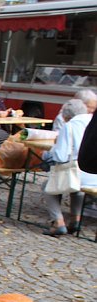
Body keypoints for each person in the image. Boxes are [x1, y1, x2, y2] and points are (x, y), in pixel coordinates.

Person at [42, 99, 93, 236]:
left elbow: (60, 156)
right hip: (93, 174)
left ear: (66, 116)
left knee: (48, 187)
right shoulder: (92, 120)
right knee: (77, 190)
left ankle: (58, 222)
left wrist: (46, 154)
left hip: (79, 172)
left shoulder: (69, 126)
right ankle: (75, 220)